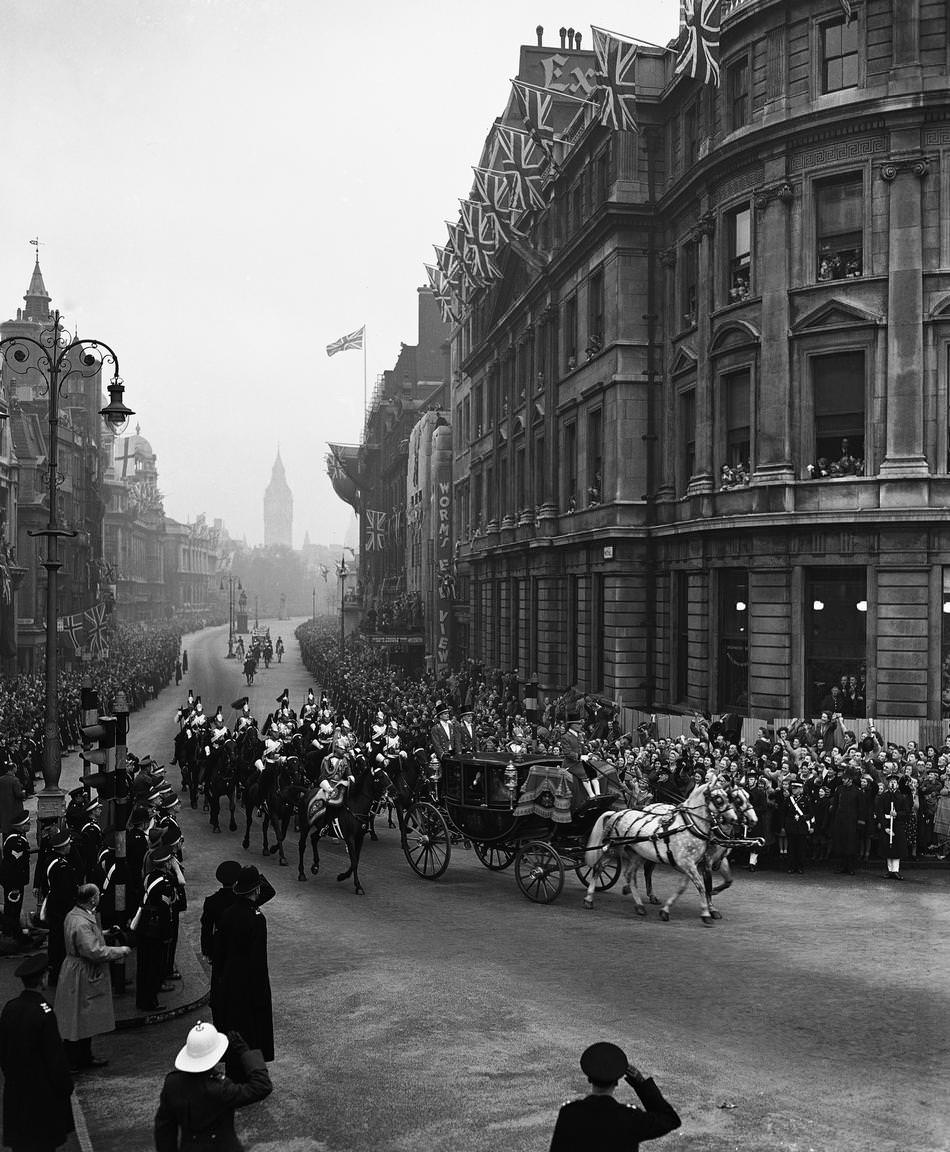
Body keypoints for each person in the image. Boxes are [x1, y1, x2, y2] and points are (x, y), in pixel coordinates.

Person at [154, 1022, 272, 1152]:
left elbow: (164, 1130)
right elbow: (262, 1086)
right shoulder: (220, 1088)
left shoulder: (172, 1084)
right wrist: (245, 1052)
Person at [0, 953, 75, 1152]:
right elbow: (55, 1058)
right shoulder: (44, 1012)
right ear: (42, 978)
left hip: (16, 1092)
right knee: (43, 1144)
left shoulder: (10, 1008)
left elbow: (3, 1051)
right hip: (41, 1094)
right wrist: (65, 1086)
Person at [53, 882, 131, 1072]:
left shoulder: (76, 915)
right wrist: (119, 950)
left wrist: (104, 933)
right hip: (82, 973)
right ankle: (74, 1059)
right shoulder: (81, 922)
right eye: (97, 895)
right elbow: (93, 951)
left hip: (75, 969)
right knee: (78, 1017)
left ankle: (83, 1056)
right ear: (92, 899)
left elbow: (88, 938)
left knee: (80, 1017)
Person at [549, 1041, 681, 1151]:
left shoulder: (569, 1114)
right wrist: (640, 1083)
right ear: (617, 1082)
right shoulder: (630, 1117)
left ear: (589, 1079)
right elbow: (670, 1119)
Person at [213, 866, 274, 1062]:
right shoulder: (257, 919)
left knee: (234, 1025)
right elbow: (258, 959)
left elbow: (219, 952)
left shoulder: (228, 913)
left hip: (230, 976)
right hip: (249, 979)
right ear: (256, 890)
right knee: (252, 1030)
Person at [0, 760, 25, 838]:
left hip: (3, 806)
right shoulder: (15, 780)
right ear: (13, 769)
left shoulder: (1, 779)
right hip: (14, 807)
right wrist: (23, 793)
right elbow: (18, 794)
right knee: (16, 824)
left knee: (5, 824)